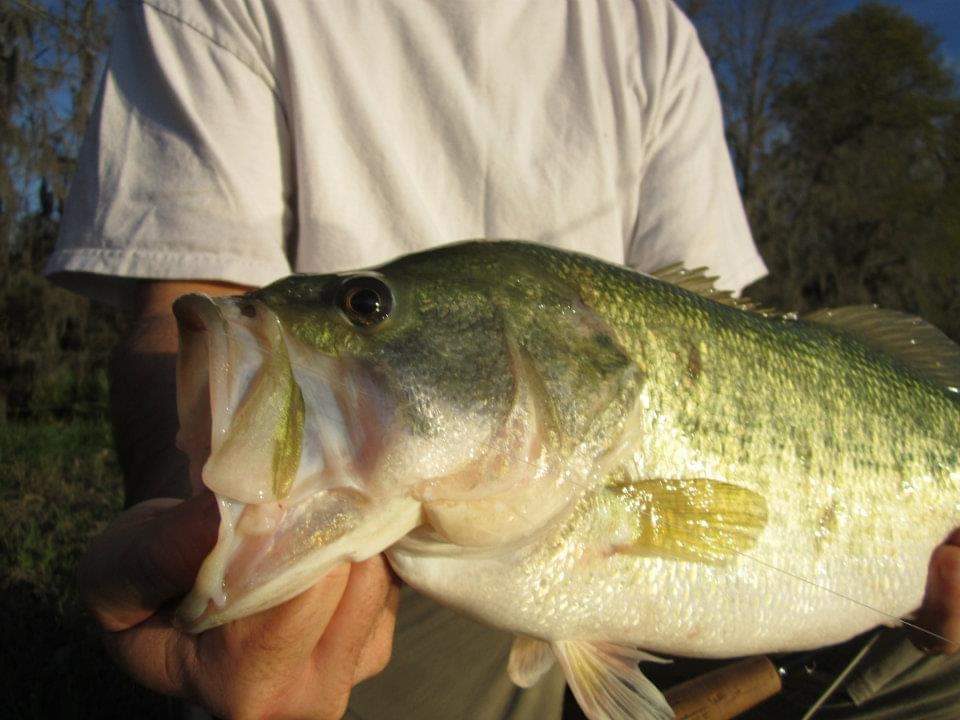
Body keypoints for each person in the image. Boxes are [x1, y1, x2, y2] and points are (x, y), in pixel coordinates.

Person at [47, 1, 960, 718]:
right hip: (402, 566)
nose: (339, 323)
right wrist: (190, 509)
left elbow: (715, 317)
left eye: (366, 309)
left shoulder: (649, 32)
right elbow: (186, 309)